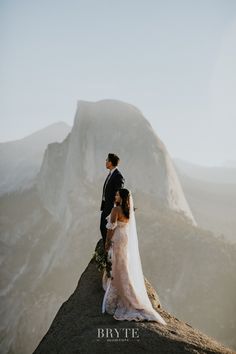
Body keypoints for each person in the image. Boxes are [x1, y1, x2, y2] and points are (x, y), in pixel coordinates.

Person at [101, 188, 167, 324]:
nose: (115, 196)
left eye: (118, 195)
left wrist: (107, 243)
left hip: (117, 238)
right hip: (124, 239)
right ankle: (128, 293)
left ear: (122, 198)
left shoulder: (115, 210)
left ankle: (116, 295)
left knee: (115, 266)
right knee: (122, 265)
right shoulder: (128, 211)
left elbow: (111, 227)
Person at [100, 153, 125, 248]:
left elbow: (119, 194)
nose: (105, 162)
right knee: (102, 228)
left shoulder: (118, 176)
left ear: (110, 162)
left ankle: (108, 251)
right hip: (106, 206)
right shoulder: (111, 174)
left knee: (105, 228)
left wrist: (115, 208)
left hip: (111, 208)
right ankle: (106, 250)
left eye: (107, 160)